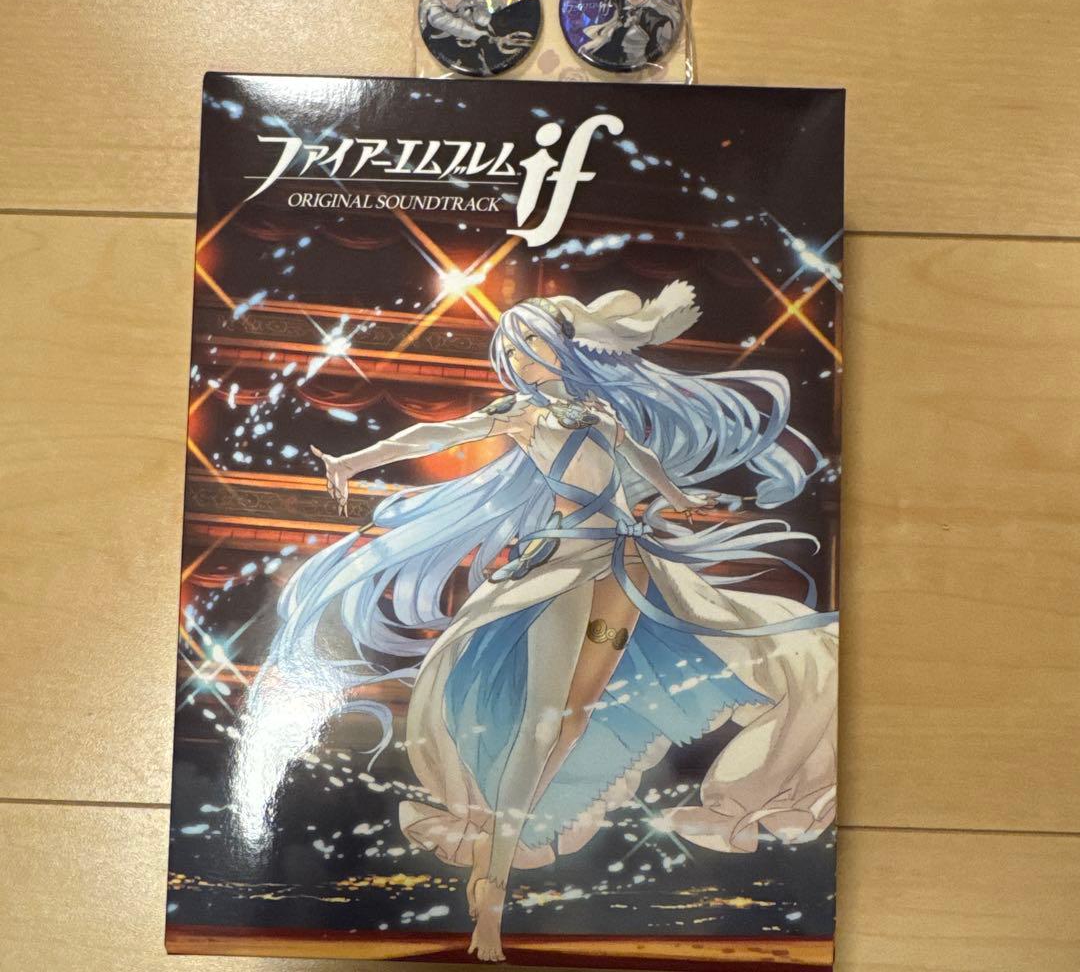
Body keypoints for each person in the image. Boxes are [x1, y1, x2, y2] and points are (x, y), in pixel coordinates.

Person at [263, 282, 838, 962]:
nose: (525, 359)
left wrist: (679, 497)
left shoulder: (599, 410)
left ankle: (508, 841)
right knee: (541, 723)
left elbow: (640, 463)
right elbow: (436, 433)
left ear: (561, 348)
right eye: (514, 350)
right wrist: (354, 461)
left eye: (533, 344)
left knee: (573, 718)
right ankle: (493, 890)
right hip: (565, 568)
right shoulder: (520, 415)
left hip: (627, 568)